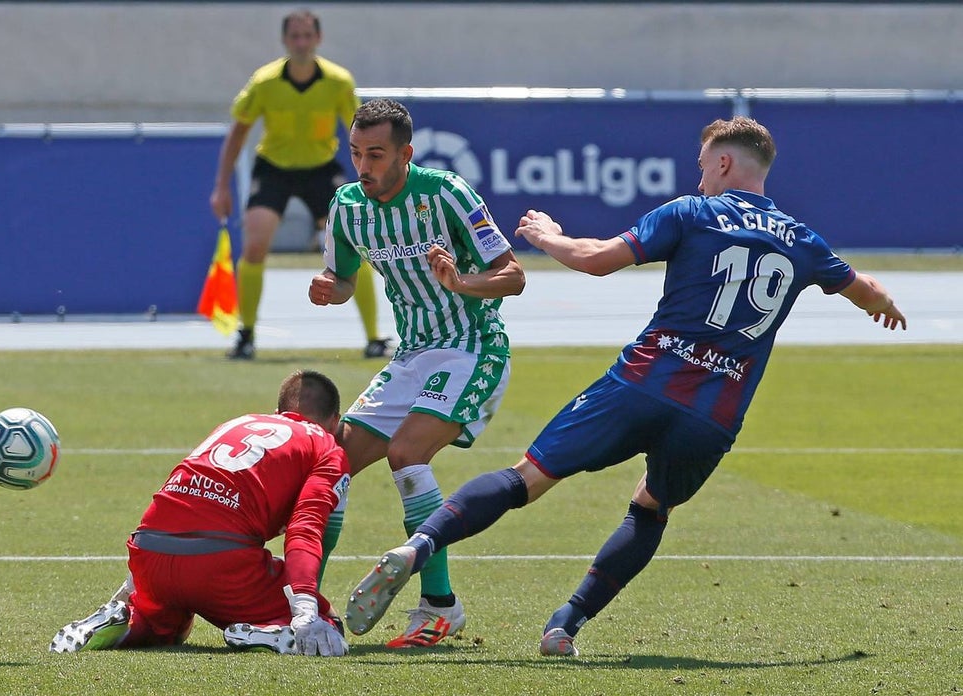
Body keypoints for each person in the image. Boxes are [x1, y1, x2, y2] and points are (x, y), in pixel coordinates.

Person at [344, 115, 908, 657]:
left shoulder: (694, 212)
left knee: (528, 478)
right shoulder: (803, 240)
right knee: (650, 510)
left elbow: (596, 260)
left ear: (726, 163)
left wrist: (548, 235)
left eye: (705, 166)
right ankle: (566, 624)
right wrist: (884, 306)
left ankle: (420, 545)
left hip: (642, 383)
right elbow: (864, 289)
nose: (700, 178)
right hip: (714, 414)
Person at [308, 98, 526, 648]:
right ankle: (305, 602)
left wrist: (460, 283)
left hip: (471, 347)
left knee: (406, 456)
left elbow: (513, 276)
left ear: (406, 153)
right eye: (356, 153)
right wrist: (328, 291)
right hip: (411, 354)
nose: (364, 166)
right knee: (329, 465)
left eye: (376, 155)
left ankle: (439, 606)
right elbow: (342, 278)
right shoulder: (347, 206)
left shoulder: (446, 193)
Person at [49, 369, 351, 657]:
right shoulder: (326, 447)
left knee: (167, 627)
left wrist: (134, 583)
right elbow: (305, 528)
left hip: (150, 552)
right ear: (335, 421)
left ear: (277, 411)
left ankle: (124, 625)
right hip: (221, 564)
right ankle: (270, 633)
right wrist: (306, 609)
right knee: (327, 629)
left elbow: (178, 496)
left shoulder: (236, 423)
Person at [209, 9, 386, 361]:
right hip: (274, 168)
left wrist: (370, 177)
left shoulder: (338, 81)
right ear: (285, 40)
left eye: (308, 36)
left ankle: (374, 338)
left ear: (318, 39)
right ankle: (246, 335)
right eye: (295, 36)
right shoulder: (265, 81)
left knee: (355, 244)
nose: (302, 43)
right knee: (255, 243)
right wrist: (222, 186)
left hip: (321, 168)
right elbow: (238, 132)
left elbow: (359, 131)